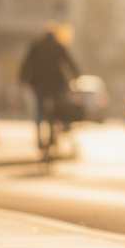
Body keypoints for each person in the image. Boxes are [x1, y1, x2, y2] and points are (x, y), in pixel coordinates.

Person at [19, 24, 80, 152]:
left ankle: (39, 138)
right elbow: (69, 62)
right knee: (56, 108)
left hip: (38, 82)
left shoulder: (36, 45)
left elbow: (27, 63)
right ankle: (53, 132)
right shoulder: (58, 46)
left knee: (39, 110)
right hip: (56, 83)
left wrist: (22, 79)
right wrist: (76, 76)